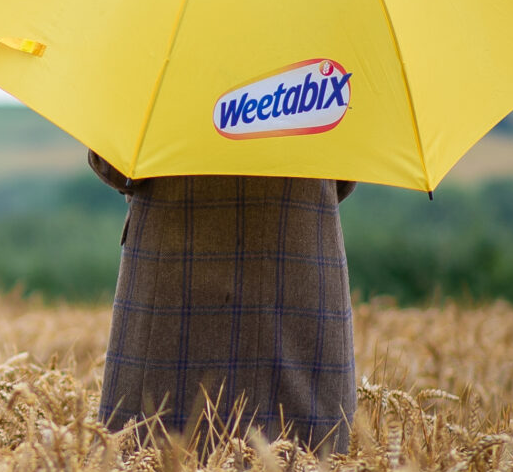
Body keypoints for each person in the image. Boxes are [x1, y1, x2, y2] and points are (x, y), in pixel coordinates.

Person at [88, 151, 357, 452]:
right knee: (308, 465)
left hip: (173, 268)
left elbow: (115, 164)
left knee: (154, 470)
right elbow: (345, 169)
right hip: (302, 258)